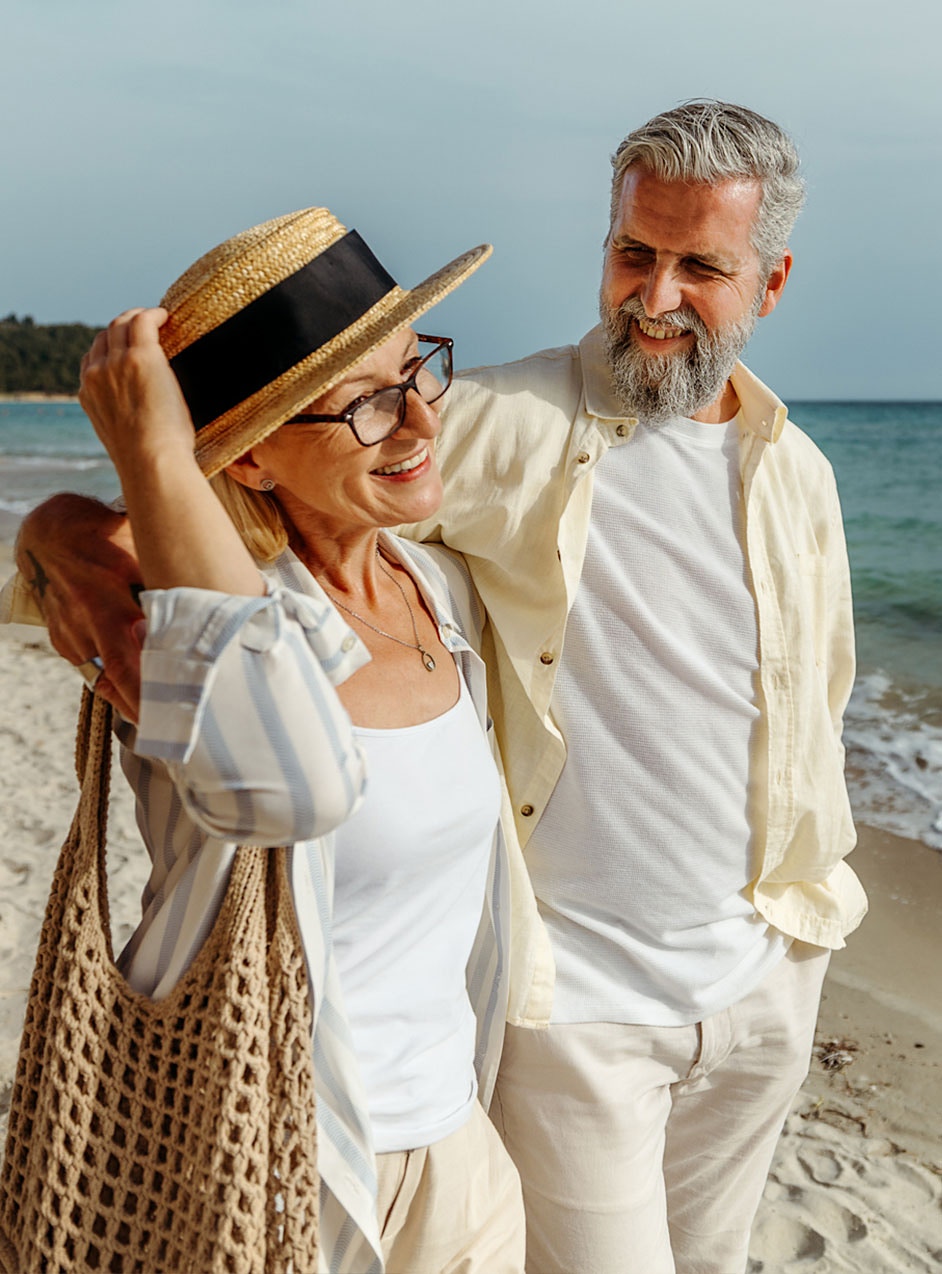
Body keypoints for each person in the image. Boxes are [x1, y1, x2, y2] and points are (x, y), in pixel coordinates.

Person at [8, 100, 865, 1274]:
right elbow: (235, 514)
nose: (654, 296)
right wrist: (64, 537)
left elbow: (808, 708)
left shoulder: (797, 469)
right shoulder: (503, 426)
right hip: (561, 1016)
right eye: (632, 253)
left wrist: (796, 934)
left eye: (701, 267)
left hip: (759, 985)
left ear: (769, 284)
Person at [26, 208, 525, 1274]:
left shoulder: (431, 586)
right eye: (365, 405)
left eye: (419, 370)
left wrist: (50, 524)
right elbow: (290, 786)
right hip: (269, 1162)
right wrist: (147, 459)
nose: (420, 422)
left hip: (459, 1148)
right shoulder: (179, 638)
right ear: (248, 460)